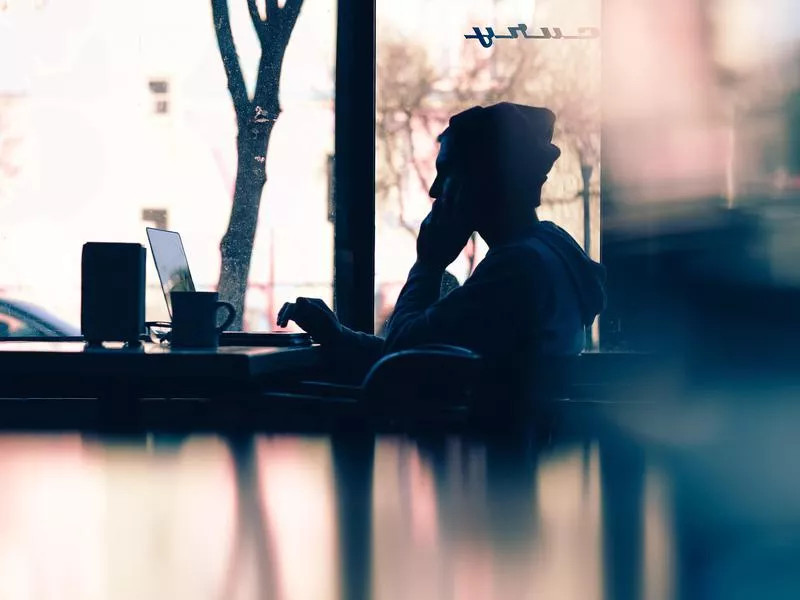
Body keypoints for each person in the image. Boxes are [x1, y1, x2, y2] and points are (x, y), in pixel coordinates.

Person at [277, 102, 606, 384]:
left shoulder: (517, 268)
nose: (435, 190)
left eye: (446, 171)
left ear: (485, 178)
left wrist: (429, 264)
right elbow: (426, 349)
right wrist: (340, 337)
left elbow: (400, 360)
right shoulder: (548, 247)